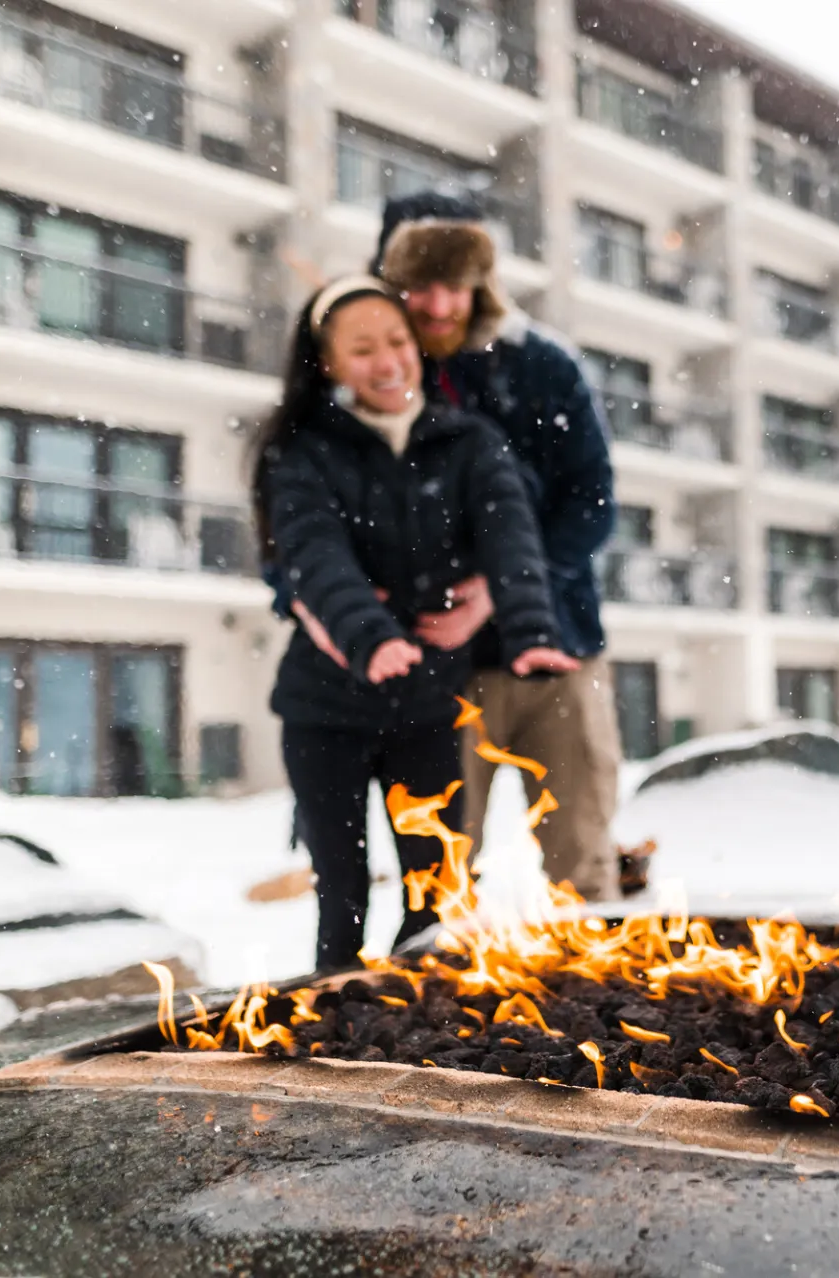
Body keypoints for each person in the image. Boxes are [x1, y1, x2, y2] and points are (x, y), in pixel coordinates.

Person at [252, 274, 577, 972]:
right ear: (330, 363)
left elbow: (512, 539)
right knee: (341, 895)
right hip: (325, 711)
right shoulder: (305, 452)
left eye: (397, 340)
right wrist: (370, 638)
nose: (388, 360)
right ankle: (332, 1027)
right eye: (362, 349)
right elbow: (315, 557)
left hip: (429, 706)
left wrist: (529, 631)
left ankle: (421, 1033)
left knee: (435, 891)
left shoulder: (471, 443)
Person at [370, 189, 623, 901]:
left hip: (559, 652)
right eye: (422, 285)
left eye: (457, 284)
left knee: (584, 866)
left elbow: (593, 502)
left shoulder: (542, 367)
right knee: (440, 882)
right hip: (437, 670)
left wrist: (500, 588)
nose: (441, 304)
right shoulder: (371, 380)